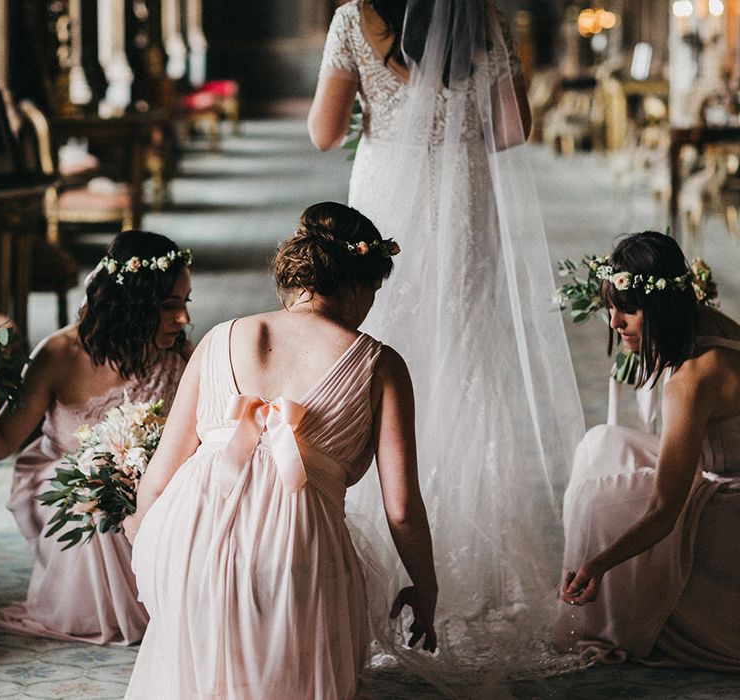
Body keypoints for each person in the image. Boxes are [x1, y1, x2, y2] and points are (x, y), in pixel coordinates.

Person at [308, 0, 584, 676]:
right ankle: (466, 553)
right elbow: (513, 130)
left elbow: (322, 132)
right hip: (464, 203)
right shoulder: (480, 16)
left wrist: (380, 107)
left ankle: (376, 535)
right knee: (463, 357)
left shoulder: (353, 20)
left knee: (381, 343)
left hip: (385, 199)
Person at [122, 202, 438, 699]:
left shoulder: (218, 337)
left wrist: (153, 551)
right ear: (359, 283)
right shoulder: (380, 364)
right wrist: (427, 588)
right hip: (296, 553)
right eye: (374, 290)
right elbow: (401, 509)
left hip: (191, 540)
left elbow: (161, 474)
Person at [0, 230, 192, 645]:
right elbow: (0, 442)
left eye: (186, 302)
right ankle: (111, 613)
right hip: (66, 480)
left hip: (149, 478)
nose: (183, 319)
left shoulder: (176, 351)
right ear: (132, 305)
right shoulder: (58, 354)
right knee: (93, 496)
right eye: (169, 305)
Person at [556, 231, 740, 670]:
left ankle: (606, 607)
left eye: (627, 311)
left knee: (603, 505)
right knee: (602, 445)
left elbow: (664, 509)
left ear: (660, 307)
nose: (614, 324)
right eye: (611, 309)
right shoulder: (708, 320)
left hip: (731, 511)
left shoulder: (692, 381)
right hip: (725, 466)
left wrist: (598, 564)